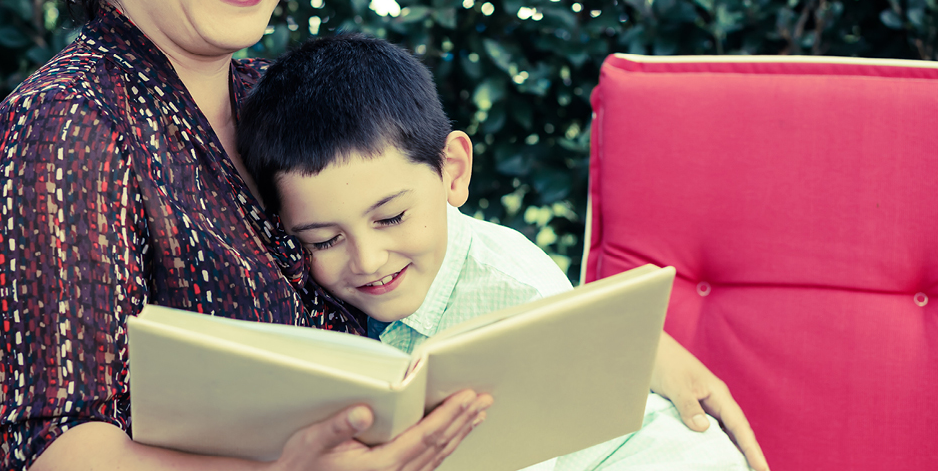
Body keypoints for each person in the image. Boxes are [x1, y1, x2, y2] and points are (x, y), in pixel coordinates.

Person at [0, 0, 765, 469]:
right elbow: (45, 454)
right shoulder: (66, 135)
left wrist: (629, 356)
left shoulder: (277, 100)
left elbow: (442, 278)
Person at [237, 34, 763, 471]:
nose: (369, 259)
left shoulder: (510, 296)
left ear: (454, 171)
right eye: (322, 241)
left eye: (392, 217)